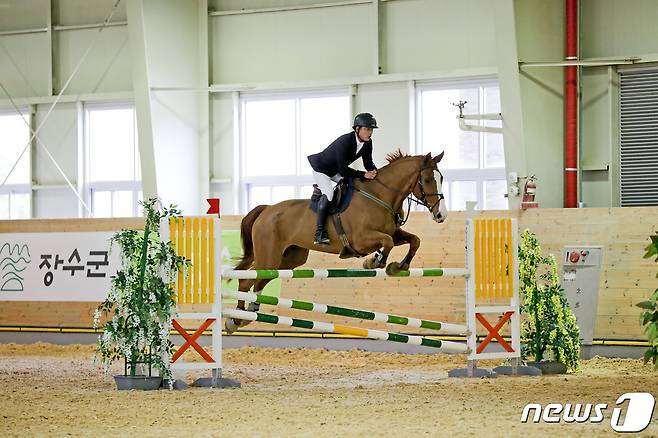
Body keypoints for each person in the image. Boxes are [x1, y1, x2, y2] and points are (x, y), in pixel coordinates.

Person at [307, 112, 379, 245]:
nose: (370, 132)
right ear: (357, 129)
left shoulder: (368, 143)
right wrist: (363, 175)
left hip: (335, 170)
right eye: (367, 129)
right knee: (329, 193)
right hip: (321, 169)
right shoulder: (345, 141)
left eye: (371, 129)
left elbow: (368, 162)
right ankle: (319, 233)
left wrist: (375, 171)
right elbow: (344, 170)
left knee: (351, 184)